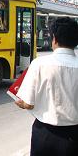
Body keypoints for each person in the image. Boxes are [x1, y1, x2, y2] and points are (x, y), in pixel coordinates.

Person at [15, 17, 78, 156]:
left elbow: (28, 103)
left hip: (45, 135)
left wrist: (20, 103)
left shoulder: (39, 64)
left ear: (54, 39)